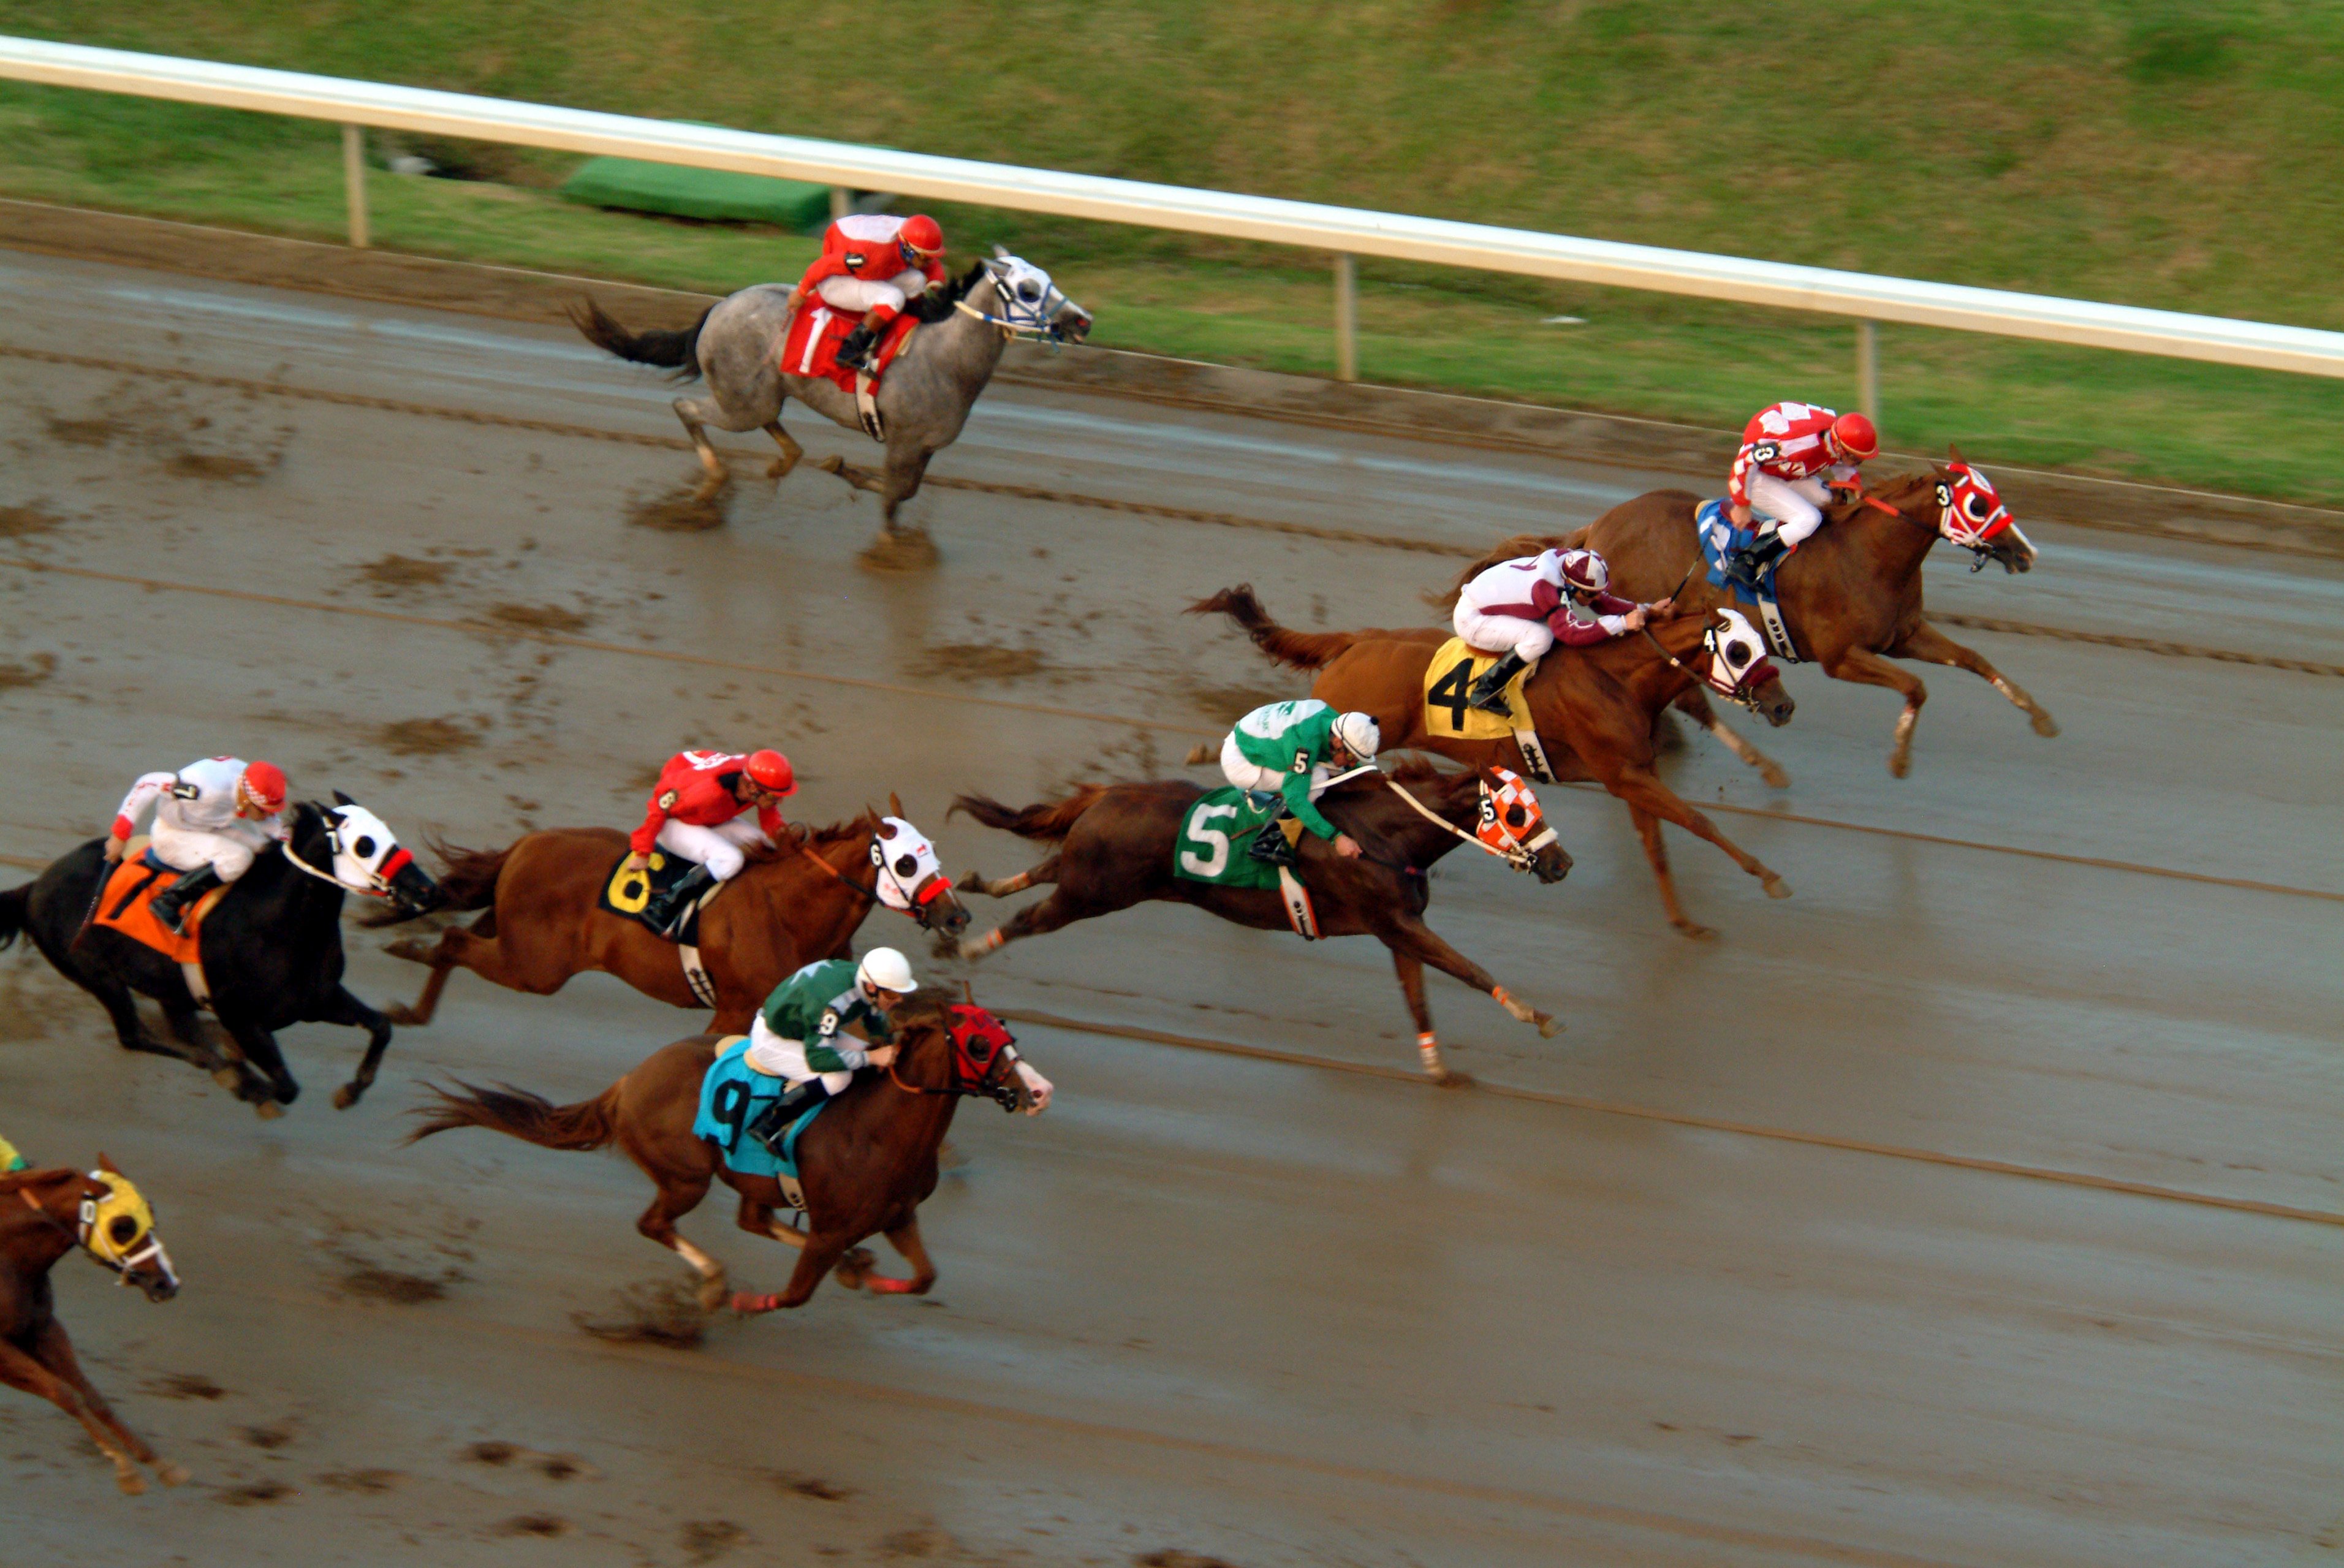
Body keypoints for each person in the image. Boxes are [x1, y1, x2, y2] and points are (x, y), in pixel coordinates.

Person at [741, 948, 917, 1155]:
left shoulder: (864, 982)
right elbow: (819, 1060)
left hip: (805, 1029)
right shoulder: (833, 1004)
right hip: (774, 1039)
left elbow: (874, 1018)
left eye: (900, 994)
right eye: (892, 994)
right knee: (839, 1078)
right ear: (871, 987)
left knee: (866, 1051)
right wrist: (870, 1057)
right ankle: (768, 1124)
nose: (899, 1000)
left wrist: (883, 1045)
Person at [1452, 547, 1669, 712]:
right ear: (1571, 586)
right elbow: (1570, 633)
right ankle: (1485, 690)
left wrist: (1647, 610)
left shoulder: (1566, 563)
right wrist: (1622, 624)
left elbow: (1600, 601)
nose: (1597, 598)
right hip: (1473, 619)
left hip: (1490, 601)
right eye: (1590, 594)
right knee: (1542, 637)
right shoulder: (1546, 589)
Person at [105, 757, 290, 935]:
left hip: (207, 829)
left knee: (265, 848)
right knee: (239, 858)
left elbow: (273, 828)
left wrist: (291, 843)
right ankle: (169, 900)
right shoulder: (203, 788)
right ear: (246, 800)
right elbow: (148, 783)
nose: (269, 816)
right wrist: (120, 834)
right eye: (264, 811)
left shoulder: (250, 780)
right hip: (172, 836)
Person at [627, 748, 797, 934]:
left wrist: (787, 842)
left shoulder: (754, 780)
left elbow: (770, 816)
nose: (779, 802)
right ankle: (664, 907)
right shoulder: (707, 792)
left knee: (765, 846)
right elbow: (659, 807)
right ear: (754, 789)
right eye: (774, 797)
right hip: (670, 822)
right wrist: (642, 851)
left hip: (708, 816)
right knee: (731, 859)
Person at [1724, 401, 1879, 581]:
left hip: (1785, 472)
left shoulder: (1835, 435)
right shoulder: (1794, 446)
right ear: (1838, 447)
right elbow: (1745, 460)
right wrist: (1741, 504)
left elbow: (1841, 462)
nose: (1857, 464)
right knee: (1810, 519)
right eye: (1857, 460)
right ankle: (1747, 561)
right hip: (1756, 478)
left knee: (1831, 501)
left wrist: (1856, 487)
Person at [1218, 699, 1380, 867]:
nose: (1352, 763)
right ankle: (1267, 842)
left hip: (1256, 735)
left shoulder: (1337, 722)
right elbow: (1295, 798)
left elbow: (1348, 767)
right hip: (1241, 761)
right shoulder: (1305, 744)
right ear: (1338, 742)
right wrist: (1336, 837)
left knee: (1334, 770)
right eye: (1351, 758)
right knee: (1318, 777)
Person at [789, 212, 949, 373]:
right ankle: (850, 351)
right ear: (908, 249)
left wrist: (940, 290)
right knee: (894, 297)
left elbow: (933, 267)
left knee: (918, 280)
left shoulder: (912, 237)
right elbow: (824, 266)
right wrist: (801, 292)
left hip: (873, 264)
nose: (931, 262)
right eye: (926, 258)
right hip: (836, 279)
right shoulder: (870, 255)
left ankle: (905, 320)